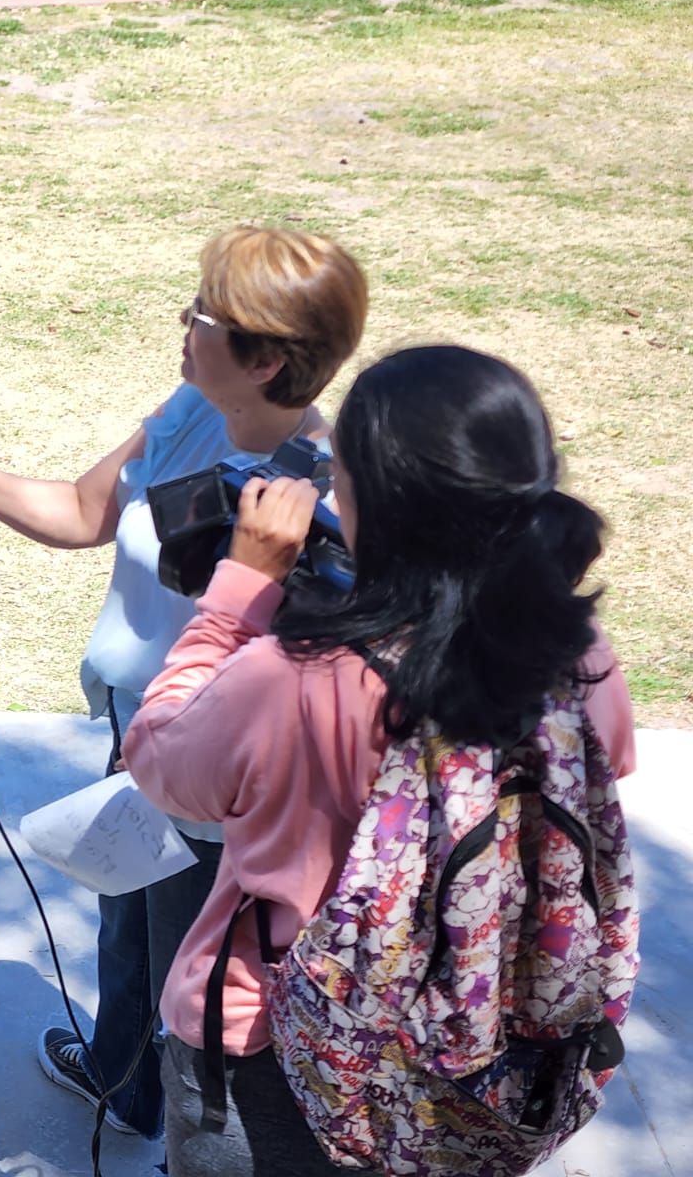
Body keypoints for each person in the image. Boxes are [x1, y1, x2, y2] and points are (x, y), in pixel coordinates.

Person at [0, 226, 367, 1139]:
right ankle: (120, 1077)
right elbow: (82, 511)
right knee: (128, 926)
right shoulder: (193, 406)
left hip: (220, 781)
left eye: (203, 314)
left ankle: (191, 1130)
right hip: (139, 739)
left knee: (200, 985)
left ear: (265, 359)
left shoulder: (325, 497)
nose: (183, 324)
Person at [120, 346, 637, 1175]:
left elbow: (160, 762)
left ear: (367, 501)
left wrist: (238, 594)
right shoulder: (580, 655)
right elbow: (606, 766)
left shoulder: (296, 677)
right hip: (480, 1051)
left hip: (276, 1049)